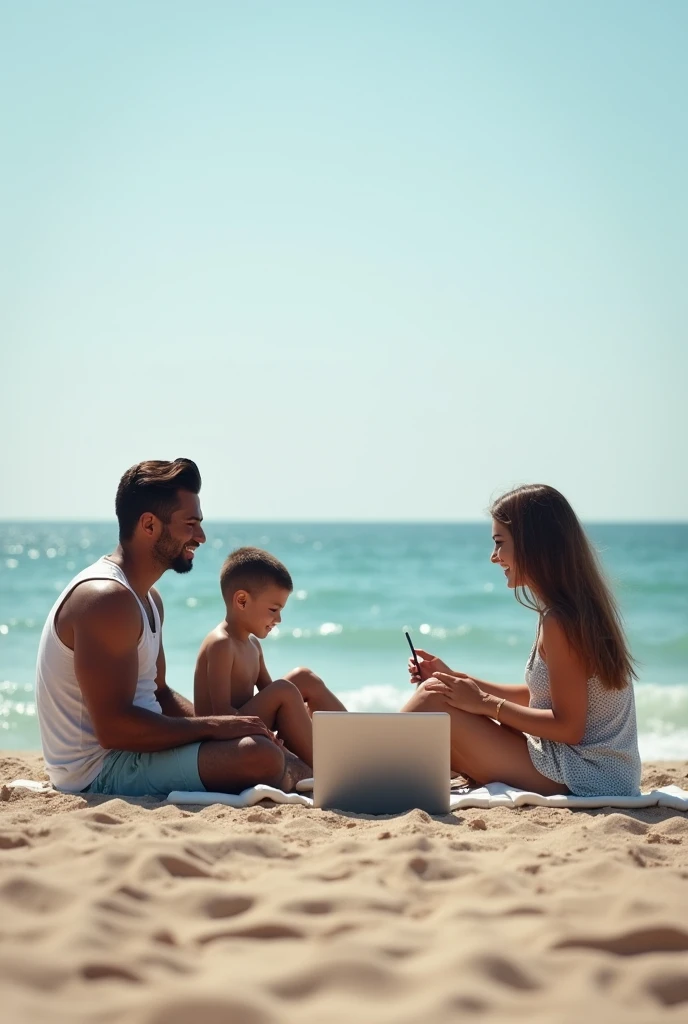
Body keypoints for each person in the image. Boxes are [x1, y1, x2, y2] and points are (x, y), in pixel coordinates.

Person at [35, 459, 307, 796]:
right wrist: (215, 728)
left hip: (140, 752)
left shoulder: (148, 599)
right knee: (257, 754)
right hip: (101, 769)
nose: (202, 536)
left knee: (250, 742)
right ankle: (308, 774)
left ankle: (307, 770)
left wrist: (227, 727)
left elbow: (159, 693)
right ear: (149, 525)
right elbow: (114, 730)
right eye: (190, 524)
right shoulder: (106, 599)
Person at [402, 484, 641, 797]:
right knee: (437, 691)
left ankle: (359, 767)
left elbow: (569, 727)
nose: (493, 557)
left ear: (533, 545)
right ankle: (368, 763)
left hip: (589, 774)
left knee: (433, 699)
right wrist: (456, 679)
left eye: (499, 543)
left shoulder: (562, 621)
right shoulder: (568, 610)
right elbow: (543, 695)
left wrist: (484, 704)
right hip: (588, 767)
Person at [194, 546, 347, 768]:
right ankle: (328, 768)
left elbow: (271, 695)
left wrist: (296, 717)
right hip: (220, 739)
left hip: (246, 724)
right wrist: (265, 731)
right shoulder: (221, 644)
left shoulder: (253, 645)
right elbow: (221, 715)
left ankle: (354, 744)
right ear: (242, 601)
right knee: (284, 689)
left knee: (303, 678)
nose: (279, 619)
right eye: (274, 609)